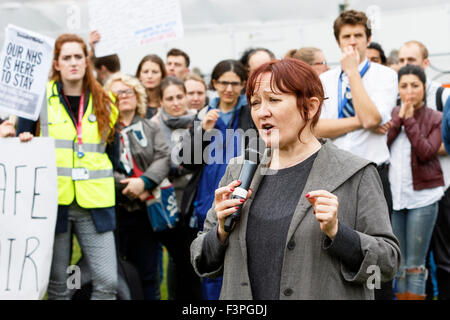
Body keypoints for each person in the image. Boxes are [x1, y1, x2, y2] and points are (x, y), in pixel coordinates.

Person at [190, 58, 400, 300]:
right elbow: (200, 258)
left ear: (310, 107)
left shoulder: (355, 173)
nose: (261, 112)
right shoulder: (239, 170)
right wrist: (220, 232)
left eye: (274, 100)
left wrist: (339, 233)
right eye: (255, 103)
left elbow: (387, 264)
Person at [17, 33, 119, 300]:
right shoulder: (37, 102)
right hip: (52, 203)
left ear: (87, 61)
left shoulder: (106, 102)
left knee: (108, 281)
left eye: (78, 57)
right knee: (58, 285)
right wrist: (23, 140)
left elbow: (113, 155)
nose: (73, 62)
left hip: (95, 203)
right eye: (66, 57)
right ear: (56, 64)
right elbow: (20, 145)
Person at [315, 10, 398, 300]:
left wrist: (352, 73)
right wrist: (361, 121)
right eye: (346, 37)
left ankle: (380, 295)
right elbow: (317, 128)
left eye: (358, 36)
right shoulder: (325, 80)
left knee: (376, 247)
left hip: (373, 172)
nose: (352, 43)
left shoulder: (385, 75)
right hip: (334, 173)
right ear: (338, 41)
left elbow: (374, 118)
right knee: (336, 243)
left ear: (368, 38)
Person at [180, 59, 255, 300]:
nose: (229, 89)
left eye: (235, 84)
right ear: (214, 83)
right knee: (212, 255)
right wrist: (204, 130)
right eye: (223, 83)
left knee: (240, 258)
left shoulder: (251, 113)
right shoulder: (204, 115)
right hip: (207, 198)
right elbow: (188, 162)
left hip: (242, 194)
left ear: (243, 84)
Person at [103, 73, 170, 300]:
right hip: (114, 210)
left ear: (137, 96)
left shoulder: (150, 127)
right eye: (116, 93)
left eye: (127, 91)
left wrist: (144, 183)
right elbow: (98, 162)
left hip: (146, 211)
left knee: (148, 273)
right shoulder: (103, 129)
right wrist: (127, 188)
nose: (122, 96)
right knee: (116, 273)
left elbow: (163, 157)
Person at [398, 40, 450, 299]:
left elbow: (434, 147)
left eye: (412, 60)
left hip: (439, 189)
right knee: (405, 261)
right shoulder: (396, 103)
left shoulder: (441, 97)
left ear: (426, 64)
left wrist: (417, 131)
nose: (407, 66)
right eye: (403, 61)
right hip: (404, 191)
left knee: (440, 258)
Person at [387, 65, 444, 300]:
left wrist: (409, 121)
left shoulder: (435, 118)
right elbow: (381, 146)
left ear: (424, 87)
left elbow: (426, 152)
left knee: (415, 265)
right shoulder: (393, 114)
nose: (409, 90)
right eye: (403, 85)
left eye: (415, 85)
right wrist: (398, 120)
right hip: (396, 198)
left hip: (423, 197)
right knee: (398, 265)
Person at [135, 54, 167, 119]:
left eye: (155, 72)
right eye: (145, 72)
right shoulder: (134, 103)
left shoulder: (169, 100)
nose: (150, 76)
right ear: (139, 75)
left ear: (162, 75)